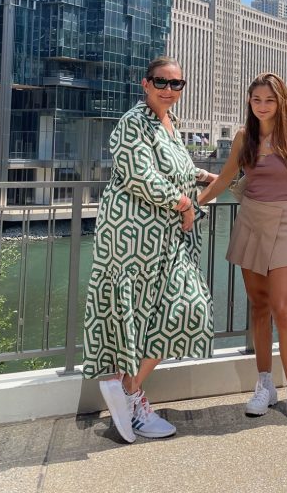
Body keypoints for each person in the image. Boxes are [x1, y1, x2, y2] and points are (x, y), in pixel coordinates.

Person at [82, 56, 217, 443]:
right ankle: (133, 399)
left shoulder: (168, 125)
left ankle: (127, 389)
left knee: (186, 307)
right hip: (132, 237)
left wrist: (201, 175)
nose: (169, 90)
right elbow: (140, 174)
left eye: (177, 84)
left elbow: (173, 167)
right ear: (146, 84)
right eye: (162, 82)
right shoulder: (132, 122)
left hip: (165, 239)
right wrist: (186, 203)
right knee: (137, 312)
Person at [197, 73, 287, 430]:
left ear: (281, 101)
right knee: (259, 307)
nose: (263, 106)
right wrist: (195, 204)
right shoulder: (244, 137)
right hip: (250, 220)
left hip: (286, 222)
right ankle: (264, 383)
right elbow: (224, 179)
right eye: (256, 100)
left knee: (284, 308)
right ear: (250, 103)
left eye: (269, 100)